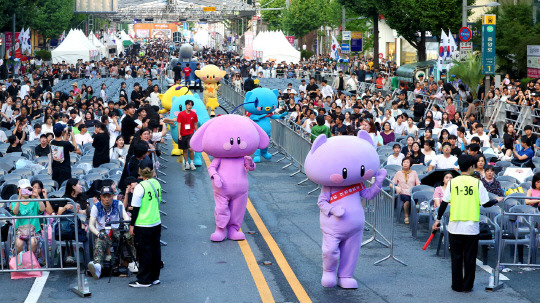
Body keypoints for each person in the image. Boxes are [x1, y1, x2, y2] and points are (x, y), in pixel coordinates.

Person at [432, 155, 502, 292]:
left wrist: (438, 219)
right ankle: (467, 286)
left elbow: (444, 203)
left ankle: (456, 286)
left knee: (456, 258)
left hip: (454, 226)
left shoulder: (453, 182)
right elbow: (486, 204)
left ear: (460, 167)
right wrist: (497, 200)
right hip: (471, 227)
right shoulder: (477, 183)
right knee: (470, 258)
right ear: (471, 167)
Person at [129, 158, 162, 287]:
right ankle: (155, 277)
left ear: (140, 171)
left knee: (144, 252)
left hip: (143, 223)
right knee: (155, 250)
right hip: (156, 221)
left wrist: (132, 225)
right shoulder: (157, 183)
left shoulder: (139, 187)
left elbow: (135, 209)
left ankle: (144, 279)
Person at [87, 186, 133, 280]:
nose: (107, 199)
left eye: (109, 196)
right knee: (100, 241)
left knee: (130, 235)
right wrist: (98, 233)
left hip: (116, 229)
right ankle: (98, 266)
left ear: (113, 196)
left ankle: (131, 262)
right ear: (101, 197)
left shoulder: (118, 204)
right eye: (104, 196)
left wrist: (125, 224)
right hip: (103, 231)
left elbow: (125, 216)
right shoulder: (96, 207)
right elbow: (91, 225)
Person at [11, 179, 51, 254]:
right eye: (24, 189)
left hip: (34, 230)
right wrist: (19, 198)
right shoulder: (15, 203)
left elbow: (42, 209)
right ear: (19, 190)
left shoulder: (34, 201)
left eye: (28, 189)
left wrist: (38, 197)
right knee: (19, 244)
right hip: (20, 231)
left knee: (33, 243)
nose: (26, 191)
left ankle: (31, 263)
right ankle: (20, 262)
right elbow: (15, 212)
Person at [51, 123, 82, 187]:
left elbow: (61, 143)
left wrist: (64, 134)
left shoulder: (52, 142)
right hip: (65, 170)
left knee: (57, 187)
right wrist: (73, 136)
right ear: (62, 132)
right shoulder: (66, 144)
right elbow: (75, 148)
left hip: (55, 170)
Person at [392, 157, 421, 224]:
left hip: (412, 192)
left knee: (418, 199)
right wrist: (396, 187)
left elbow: (418, 183)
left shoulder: (414, 173)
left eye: (407, 162)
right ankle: (406, 216)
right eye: (404, 162)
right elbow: (392, 183)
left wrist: (417, 189)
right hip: (403, 192)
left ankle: (416, 217)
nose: (405, 164)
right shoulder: (398, 173)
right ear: (402, 164)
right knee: (407, 200)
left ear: (410, 164)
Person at [177, 99, 198, 170]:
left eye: (191, 105)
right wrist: (179, 134)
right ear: (185, 105)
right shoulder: (181, 114)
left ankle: (192, 163)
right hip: (183, 134)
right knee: (185, 150)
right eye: (188, 104)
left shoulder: (194, 114)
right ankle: (187, 163)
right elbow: (179, 124)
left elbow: (195, 124)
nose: (190, 106)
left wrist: (197, 133)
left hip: (190, 133)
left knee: (190, 149)